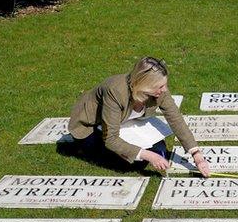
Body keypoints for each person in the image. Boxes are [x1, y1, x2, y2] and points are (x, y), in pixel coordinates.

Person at [66, 56, 210, 177]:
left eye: (165, 85)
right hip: (90, 127)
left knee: (160, 152)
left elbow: (176, 119)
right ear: (144, 85)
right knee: (131, 164)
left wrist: (197, 155)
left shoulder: (160, 91)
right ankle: (82, 149)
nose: (165, 90)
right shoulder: (115, 91)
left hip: (127, 123)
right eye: (160, 87)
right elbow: (110, 139)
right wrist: (149, 156)